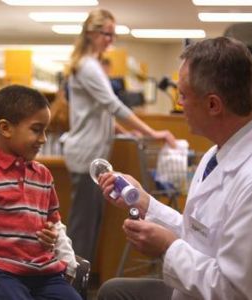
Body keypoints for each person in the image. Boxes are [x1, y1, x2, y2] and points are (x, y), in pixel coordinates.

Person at [97, 37, 252, 299]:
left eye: (184, 95)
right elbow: (201, 234)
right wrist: (145, 204)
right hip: (202, 287)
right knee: (115, 291)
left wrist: (168, 248)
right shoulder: (220, 150)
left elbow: (239, 293)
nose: (179, 104)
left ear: (213, 105)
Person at [63, 8, 176, 263]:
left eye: (113, 35)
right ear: (92, 33)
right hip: (85, 155)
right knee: (83, 228)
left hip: (92, 153)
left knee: (91, 225)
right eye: (107, 34)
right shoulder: (88, 67)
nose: (111, 41)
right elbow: (114, 106)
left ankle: (78, 284)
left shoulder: (91, 66)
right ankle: (73, 287)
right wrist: (153, 132)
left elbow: (102, 114)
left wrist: (127, 132)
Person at [0, 84, 81, 300]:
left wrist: (68, 263)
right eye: (36, 129)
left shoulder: (43, 175)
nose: (43, 139)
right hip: (2, 273)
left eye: (45, 131)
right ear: (5, 128)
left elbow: (55, 224)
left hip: (45, 272)